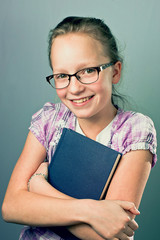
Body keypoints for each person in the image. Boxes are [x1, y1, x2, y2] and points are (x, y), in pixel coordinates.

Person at [2, 16, 157, 240]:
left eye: (87, 71)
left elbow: (110, 236)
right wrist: (92, 211)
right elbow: (11, 207)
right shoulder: (50, 119)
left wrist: (39, 188)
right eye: (62, 76)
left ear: (115, 72)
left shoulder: (135, 129)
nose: (74, 88)